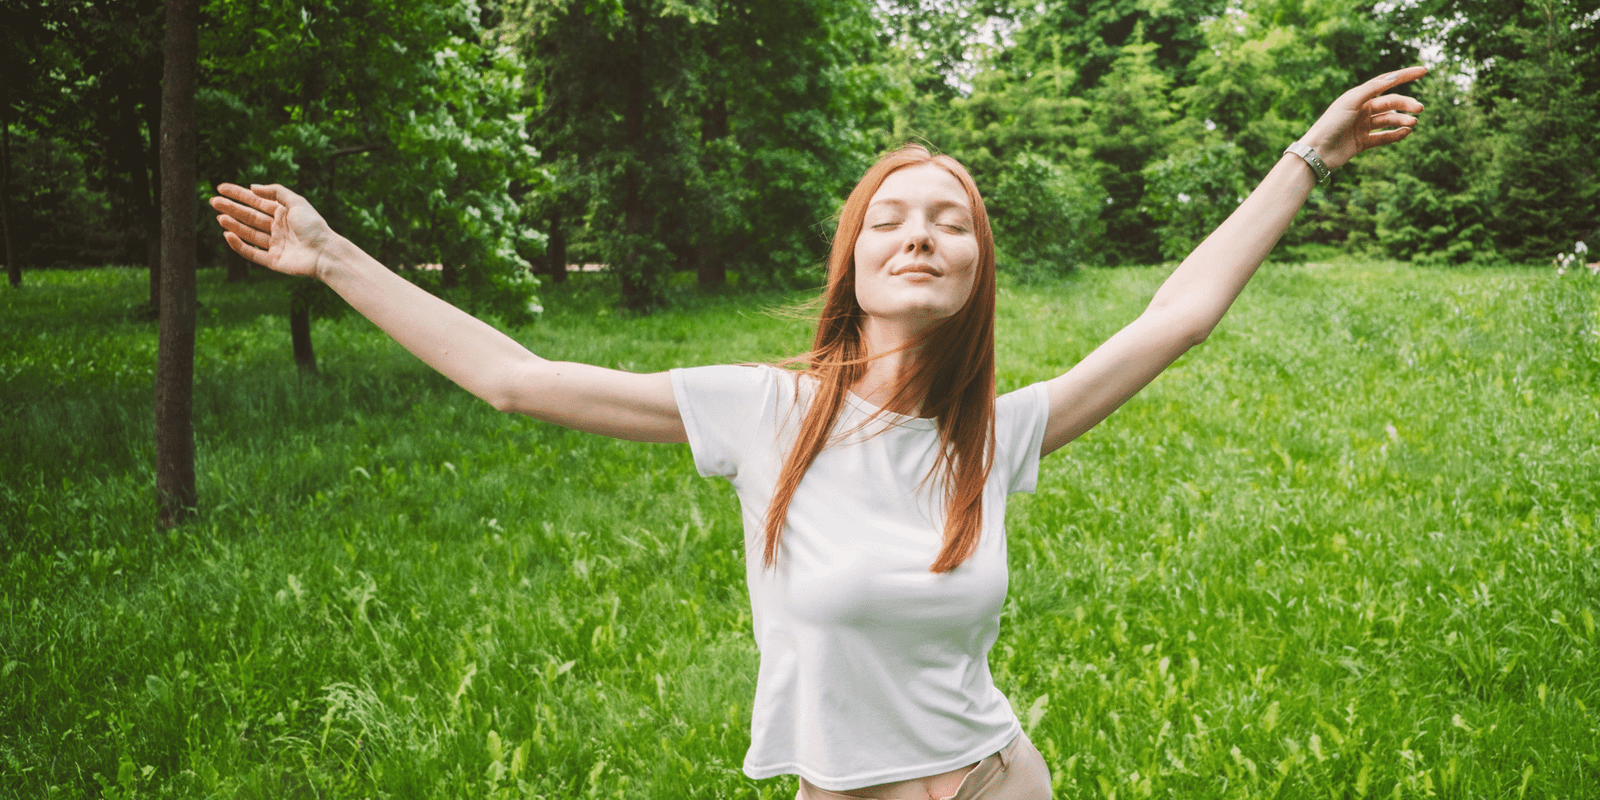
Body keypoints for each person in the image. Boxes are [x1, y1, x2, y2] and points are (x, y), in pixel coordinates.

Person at [210, 66, 1427, 800]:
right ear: (853, 259)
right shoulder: (767, 408)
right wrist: (331, 257)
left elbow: (1178, 316)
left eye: (949, 222)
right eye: (890, 215)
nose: (919, 232)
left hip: (999, 779)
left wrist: (1308, 154)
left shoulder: (994, 436)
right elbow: (518, 379)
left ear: (973, 272)